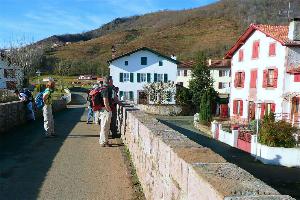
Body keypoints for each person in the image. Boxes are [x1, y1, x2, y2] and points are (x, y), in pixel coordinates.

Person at [98, 76, 113, 147]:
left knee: (104, 126)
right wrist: (109, 110)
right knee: (105, 126)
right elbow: (105, 101)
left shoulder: (103, 88)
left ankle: (104, 141)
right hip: (105, 110)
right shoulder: (105, 89)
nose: (112, 82)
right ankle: (103, 142)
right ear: (109, 81)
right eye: (112, 80)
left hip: (103, 110)